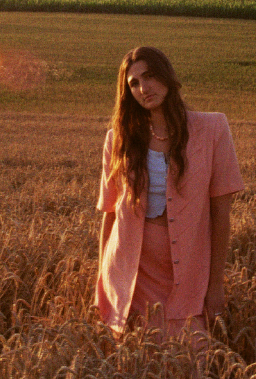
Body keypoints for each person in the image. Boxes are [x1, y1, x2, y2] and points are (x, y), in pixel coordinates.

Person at [95, 46, 244, 343]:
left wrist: (215, 285)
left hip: (188, 271)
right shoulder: (118, 139)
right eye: (134, 83)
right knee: (135, 361)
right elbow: (110, 214)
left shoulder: (213, 128)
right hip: (131, 273)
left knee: (193, 356)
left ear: (167, 76)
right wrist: (103, 281)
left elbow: (221, 214)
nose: (143, 88)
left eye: (150, 76)